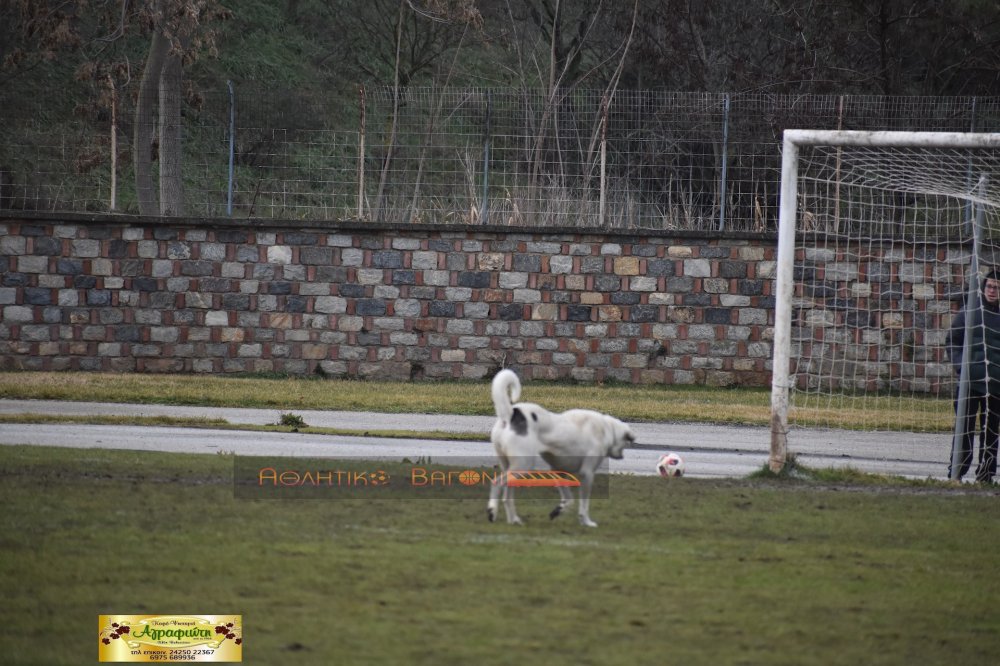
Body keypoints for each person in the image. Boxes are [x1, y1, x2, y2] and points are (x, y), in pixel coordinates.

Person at [947, 269, 1000, 483]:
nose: (993, 291)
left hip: (995, 386)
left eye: (997, 287)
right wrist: (962, 367)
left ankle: (985, 475)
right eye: (989, 286)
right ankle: (956, 473)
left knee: (991, 432)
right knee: (964, 430)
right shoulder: (969, 312)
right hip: (969, 384)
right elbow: (952, 341)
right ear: (983, 287)